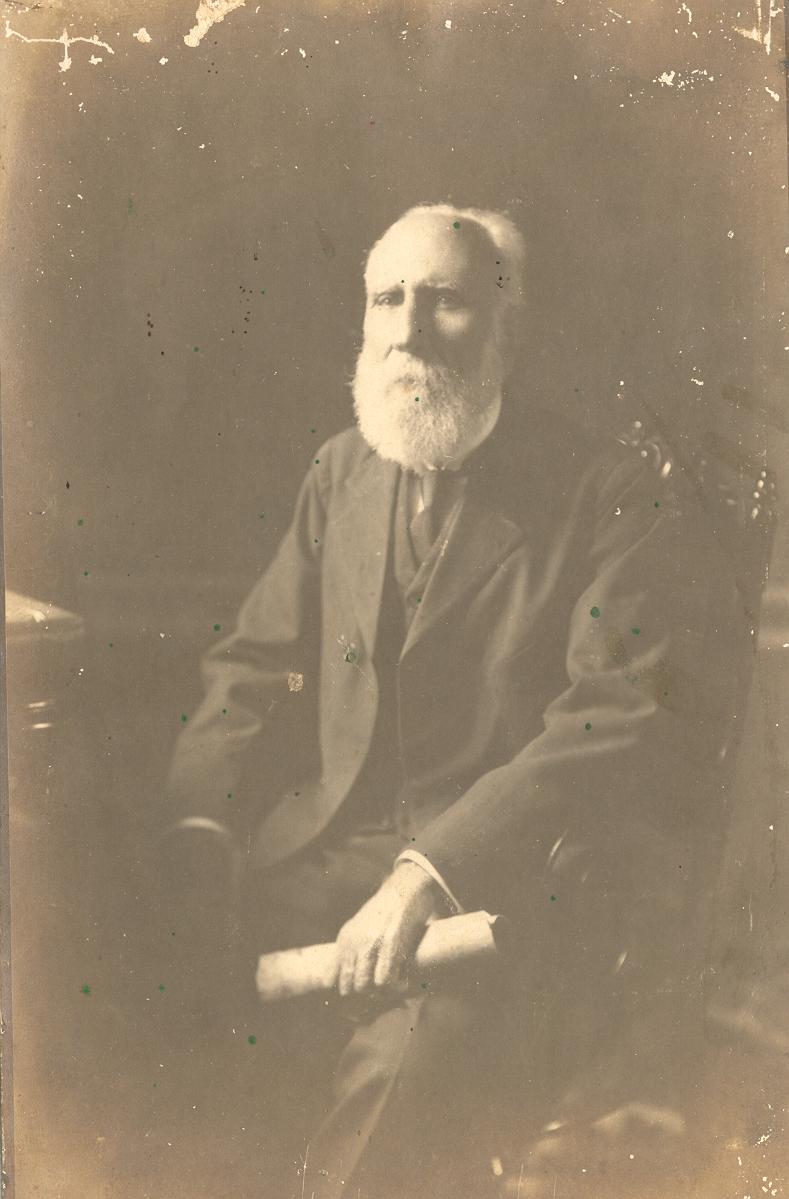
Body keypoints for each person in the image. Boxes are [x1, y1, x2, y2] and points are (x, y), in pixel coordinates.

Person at [162, 203, 755, 1197]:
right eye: (386, 299)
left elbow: (613, 712)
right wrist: (197, 825)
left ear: (504, 329)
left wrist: (428, 874)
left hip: (497, 888)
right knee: (155, 1029)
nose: (408, 329)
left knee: (397, 1089)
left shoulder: (606, 489)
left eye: (444, 301)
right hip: (319, 858)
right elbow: (252, 665)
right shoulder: (338, 471)